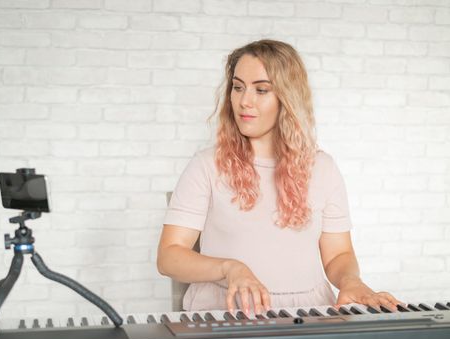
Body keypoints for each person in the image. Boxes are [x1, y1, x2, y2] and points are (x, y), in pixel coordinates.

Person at [156, 39, 401, 316]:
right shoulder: (206, 165)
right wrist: (229, 268)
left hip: (309, 313)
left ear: (287, 97)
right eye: (238, 87)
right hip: (226, 313)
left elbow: (338, 255)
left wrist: (350, 281)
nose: (244, 101)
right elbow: (169, 256)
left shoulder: (323, 168)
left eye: (261, 90)